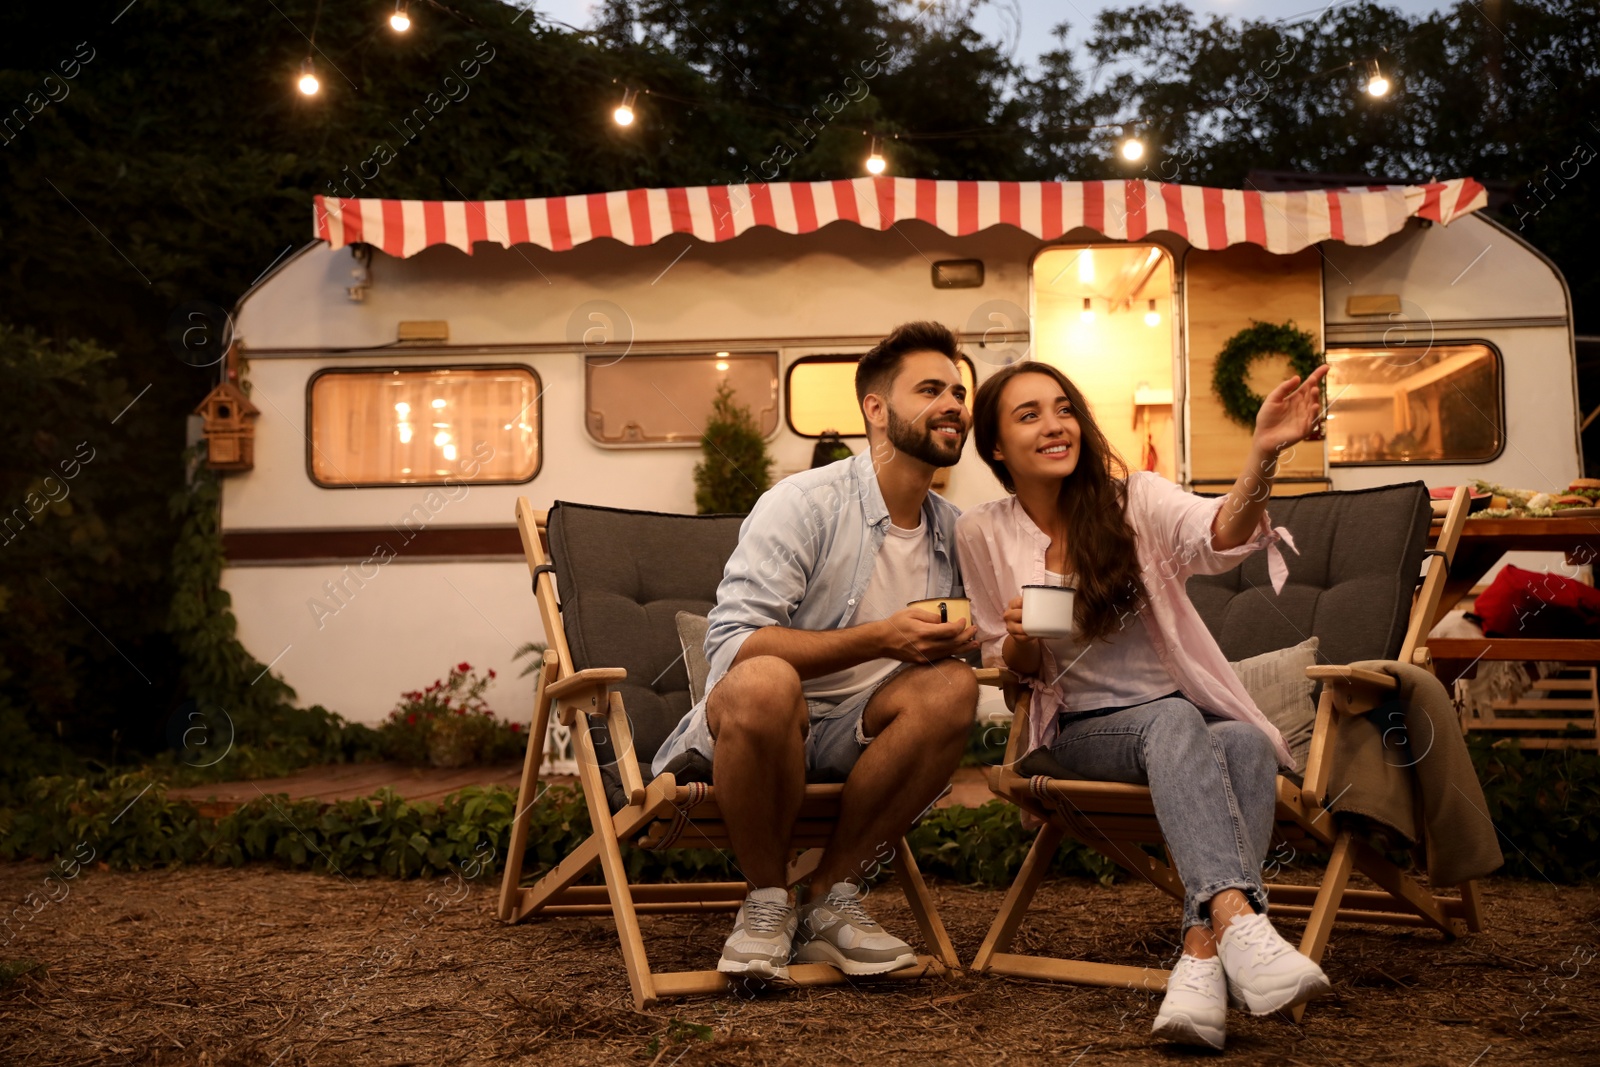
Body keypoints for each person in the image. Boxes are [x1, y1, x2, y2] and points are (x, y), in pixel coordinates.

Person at [955, 358, 1332, 1050]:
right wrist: (1018, 640)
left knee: (1244, 741)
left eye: (1063, 407)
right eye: (1029, 414)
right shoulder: (982, 532)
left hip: (1173, 719)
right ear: (997, 447)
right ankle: (1237, 917)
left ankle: (1200, 956)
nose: (1055, 424)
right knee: (1176, 718)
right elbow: (1011, 672)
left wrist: (1263, 454)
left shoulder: (1135, 503)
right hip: (1075, 730)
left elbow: (1220, 534)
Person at [652, 321, 980, 981]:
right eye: (930, 388)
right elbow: (735, 646)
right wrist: (884, 636)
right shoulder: (804, 504)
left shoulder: (957, 533)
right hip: (763, 730)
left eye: (958, 389)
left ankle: (829, 898)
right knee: (765, 679)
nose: (953, 402)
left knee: (953, 686)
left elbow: (988, 650)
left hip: (860, 736)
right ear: (876, 409)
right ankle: (766, 902)